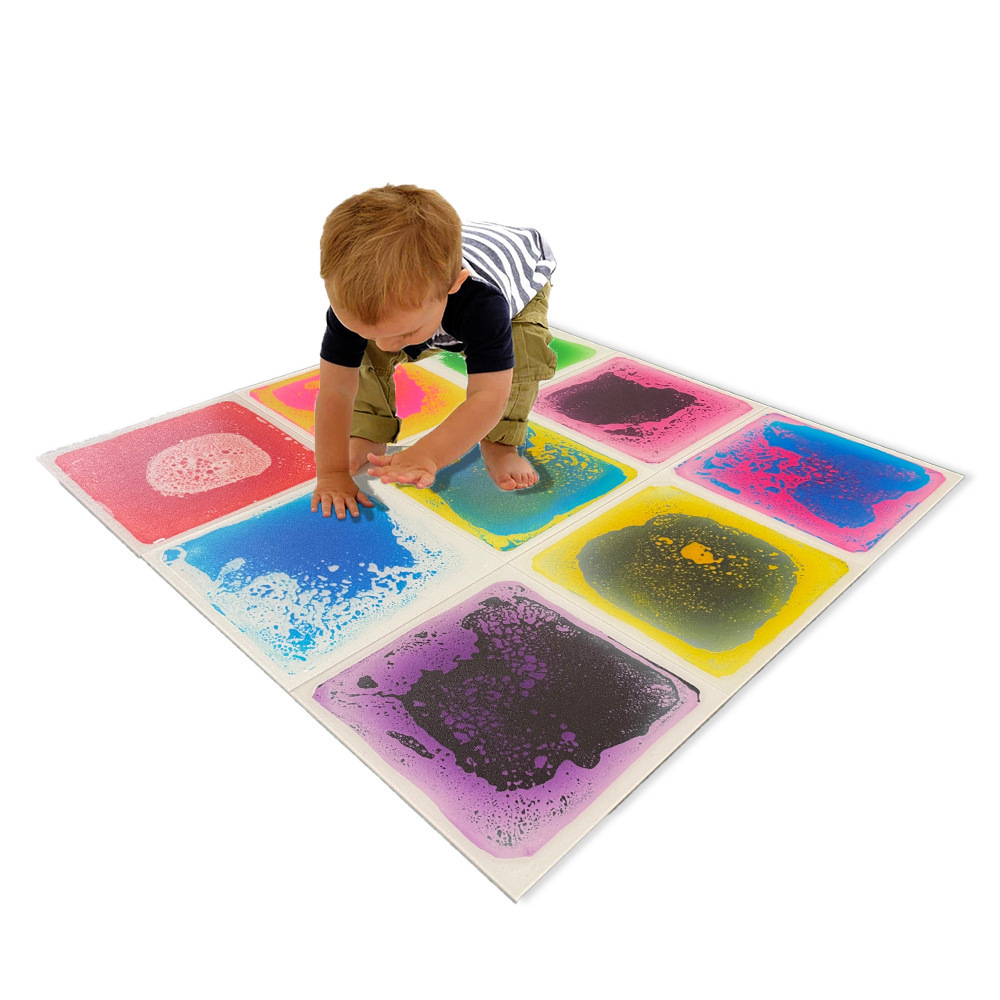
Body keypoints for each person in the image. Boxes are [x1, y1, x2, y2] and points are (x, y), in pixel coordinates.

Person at [311, 184, 558, 520]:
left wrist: (428, 454)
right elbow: (335, 391)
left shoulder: (483, 305)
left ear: (452, 287)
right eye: (367, 332)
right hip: (441, 274)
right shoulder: (354, 309)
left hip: (521, 275)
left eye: (405, 334)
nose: (387, 346)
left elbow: (488, 396)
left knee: (524, 353)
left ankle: (501, 443)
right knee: (366, 353)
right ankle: (369, 428)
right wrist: (332, 473)